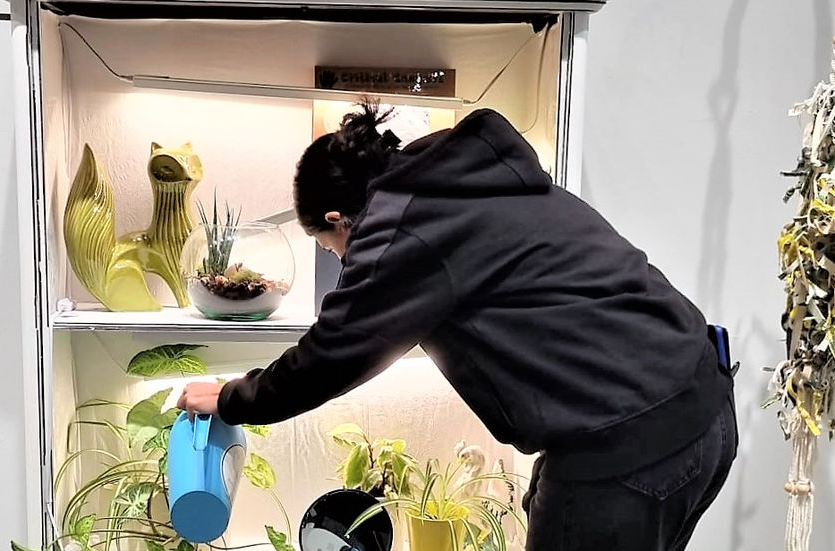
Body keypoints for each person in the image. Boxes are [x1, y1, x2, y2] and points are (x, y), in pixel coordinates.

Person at [177, 100, 737, 551]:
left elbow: (334, 353)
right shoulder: (467, 180)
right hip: (701, 407)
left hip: (631, 446)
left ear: (336, 220)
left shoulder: (404, 227)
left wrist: (232, 399)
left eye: (333, 249)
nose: (345, 263)